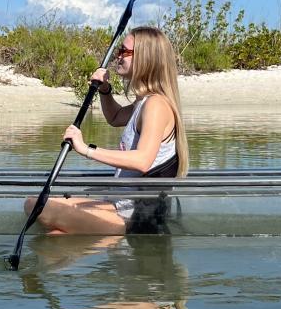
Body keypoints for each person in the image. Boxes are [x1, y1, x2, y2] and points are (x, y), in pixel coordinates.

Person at [25, 25, 189, 235]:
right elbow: (114, 117)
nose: (118, 57)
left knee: (35, 205)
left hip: (133, 216)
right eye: (119, 51)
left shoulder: (156, 105)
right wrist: (105, 90)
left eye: (124, 52)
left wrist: (86, 150)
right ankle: (103, 241)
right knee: (54, 235)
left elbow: (142, 160)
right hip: (118, 206)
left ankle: (110, 239)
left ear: (145, 58)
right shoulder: (144, 102)